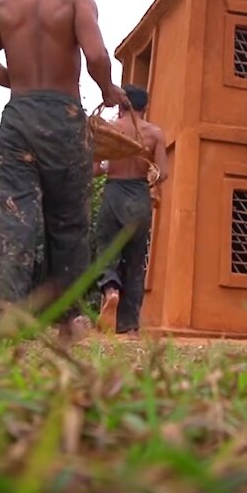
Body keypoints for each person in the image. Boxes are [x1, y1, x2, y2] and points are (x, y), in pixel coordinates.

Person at [0, 0, 129, 343]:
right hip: (63, 116)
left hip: (18, 116)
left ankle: (7, 310)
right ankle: (66, 319)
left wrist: (22, 83)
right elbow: (98, 56)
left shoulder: (1, 4)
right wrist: (107, 90)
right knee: (67, 218)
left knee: (12, 210)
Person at [91, 84, 169, 335]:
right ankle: (130, 326)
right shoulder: (155, 134)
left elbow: (94, 169)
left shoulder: (109, 130)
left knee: (106, 250)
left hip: (114, 192)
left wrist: (104, 168)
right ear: (145, 107)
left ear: (122, 105)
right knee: (136, 260)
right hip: (139, 196)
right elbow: (162, 173)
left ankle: (111, 289)